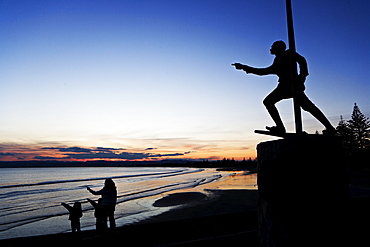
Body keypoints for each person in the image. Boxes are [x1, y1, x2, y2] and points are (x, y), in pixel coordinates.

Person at [232, 40, 335, 135]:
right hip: (285, 86)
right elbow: (262, 72)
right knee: (307, 106)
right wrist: (243, 67)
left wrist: (302, 76)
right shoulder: (277, 61)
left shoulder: (288, 54)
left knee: (272, 102)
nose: (270, 49)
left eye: (273, 47)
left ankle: (281, 127)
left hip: (290, 86)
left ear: (279, 48)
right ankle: (329, 127)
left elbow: (302, 60)